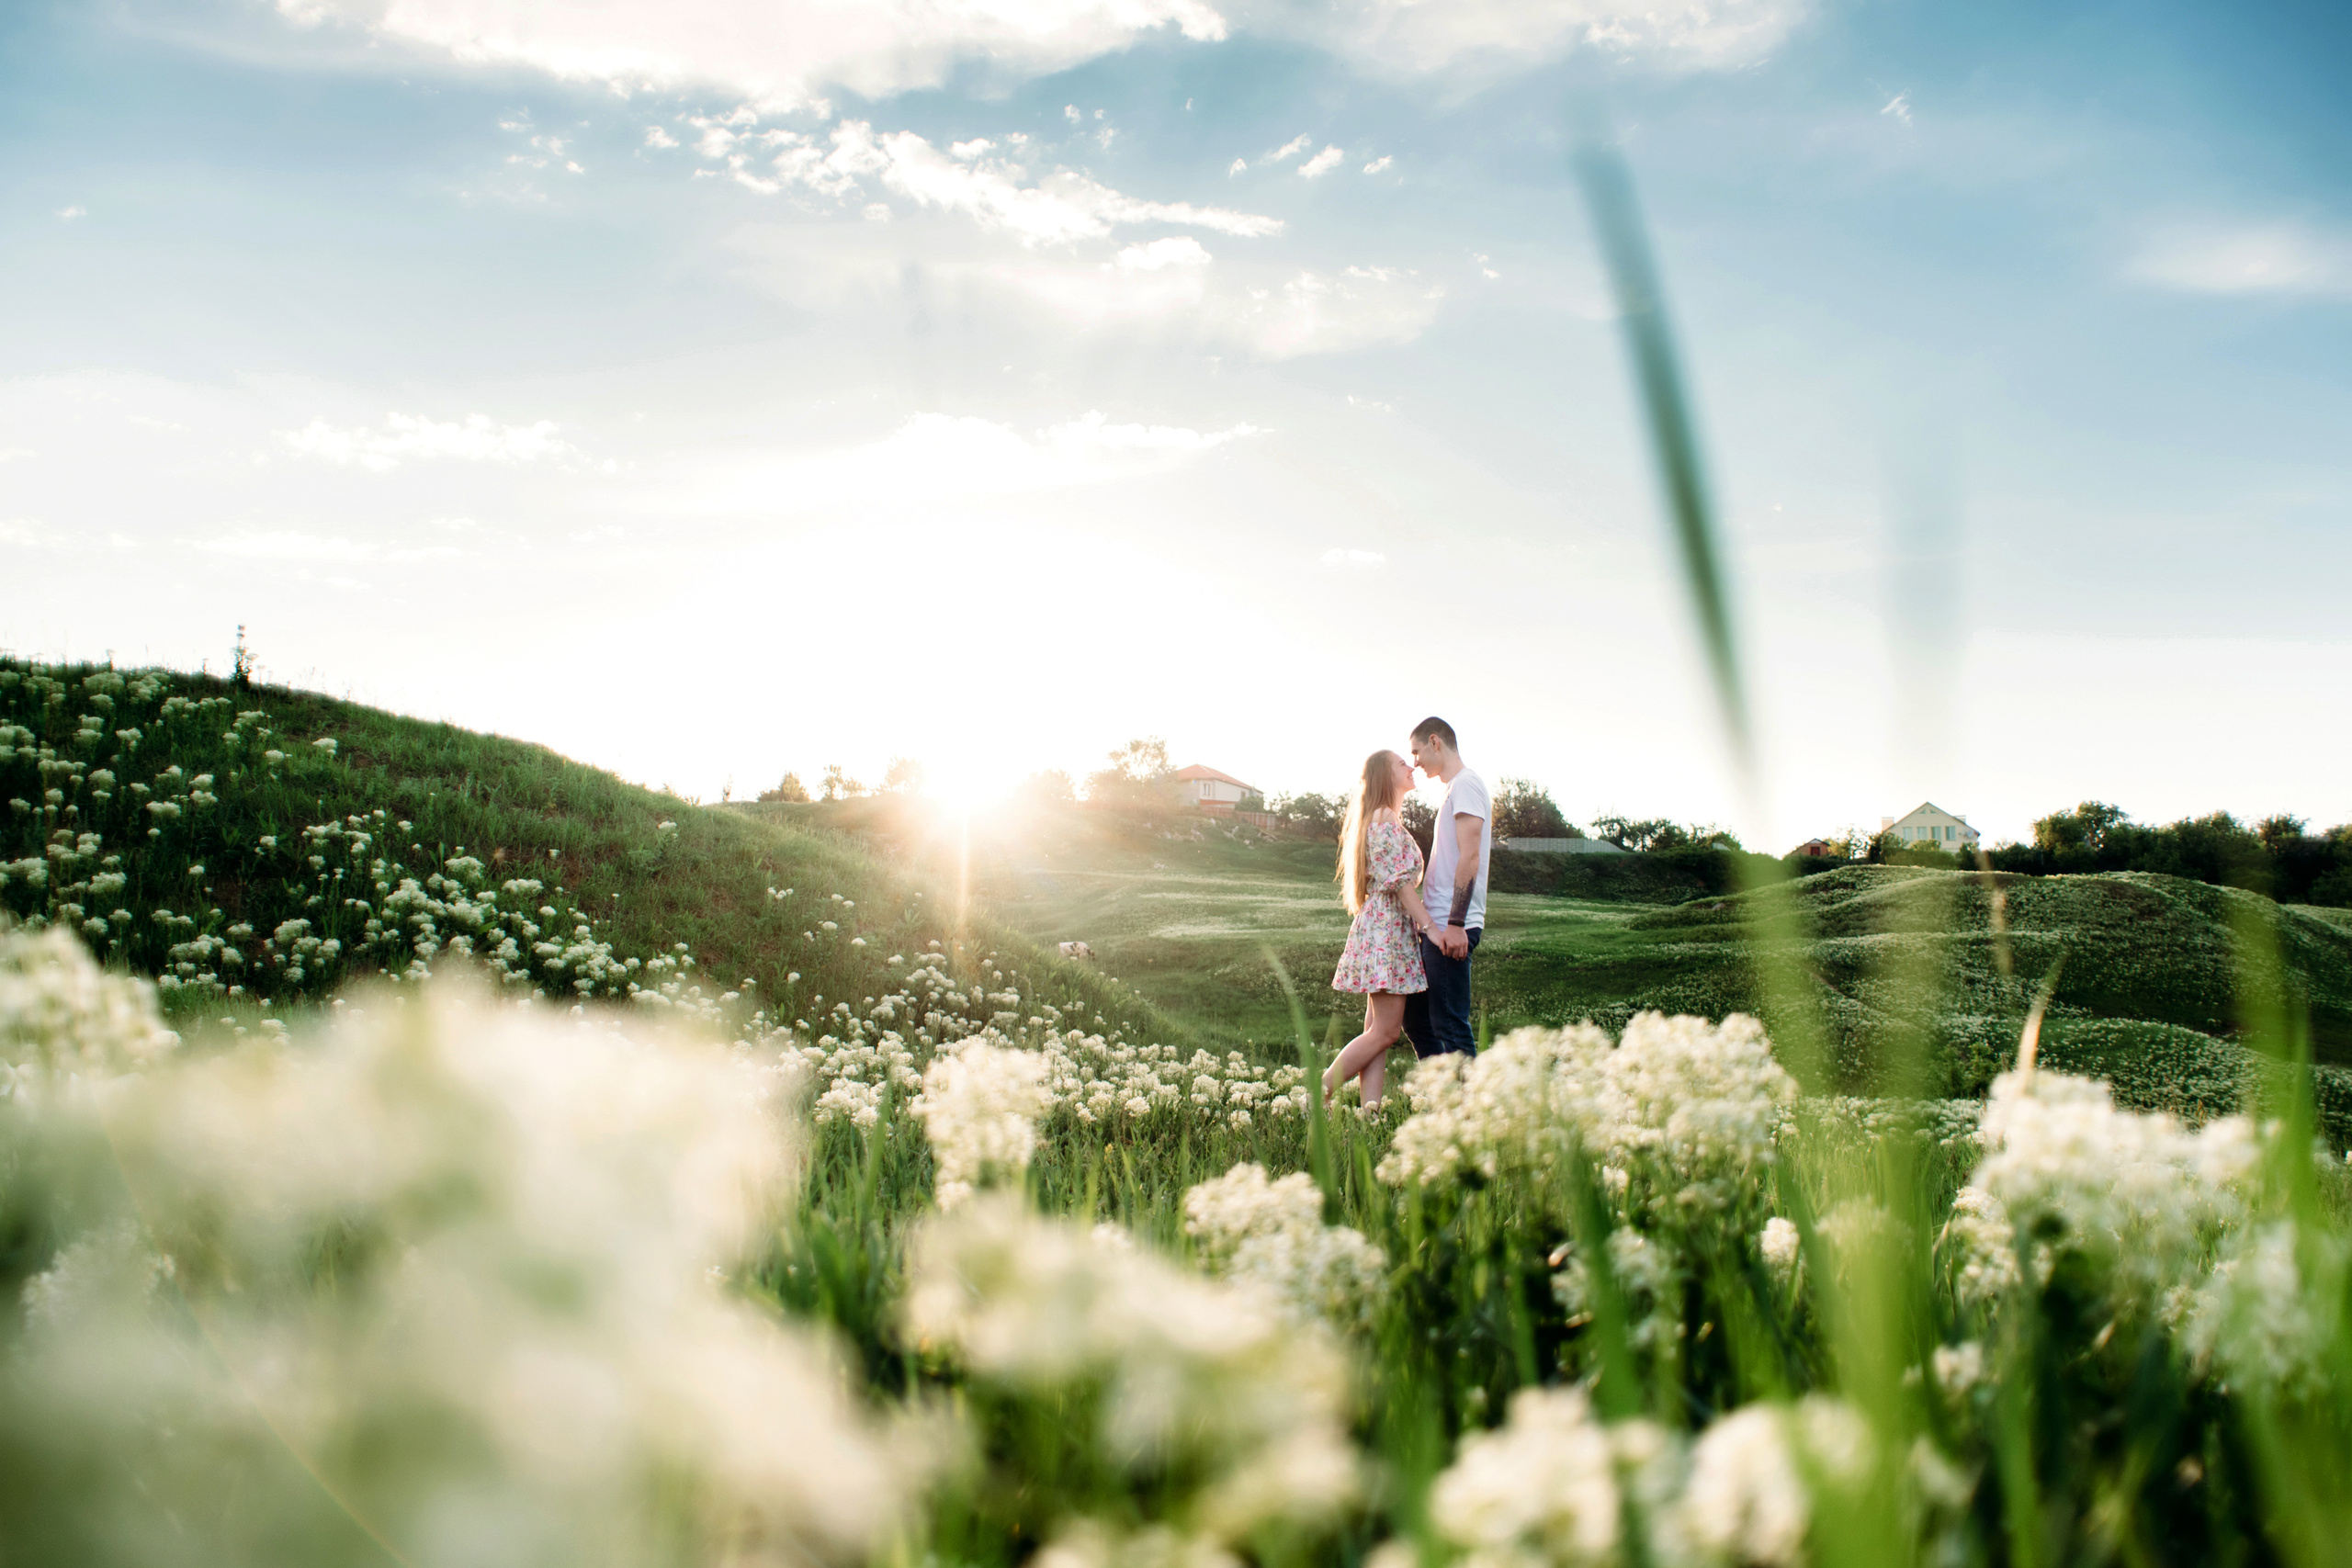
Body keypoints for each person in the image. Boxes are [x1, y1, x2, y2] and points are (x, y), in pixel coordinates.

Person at [1324, 749, 1437, 1106]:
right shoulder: (1384, 817)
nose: (1411, 766)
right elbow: (1400, 883)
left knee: (1376, 1033)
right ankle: (1319, 1092)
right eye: (1402, 763)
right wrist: (1430, 926)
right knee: (1386, 1032)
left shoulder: (1382, 817)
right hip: (1388, 928)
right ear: (1386, 776)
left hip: (1383, 926)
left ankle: (1369, 1115)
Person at [1403, 716, 1490, 1058]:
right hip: (1438, 925)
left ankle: (1469, 1093)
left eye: (1416, 751)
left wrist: (1456, 924)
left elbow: (1470, 856)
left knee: (1450, 1025)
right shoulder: (1455, 788)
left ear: (1434, 742)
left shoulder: (1466, 784)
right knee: (1417, 1021)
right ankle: (1443, 1088)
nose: (1415, 762)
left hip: (1452, 925)